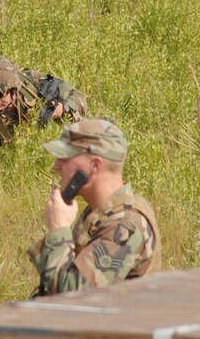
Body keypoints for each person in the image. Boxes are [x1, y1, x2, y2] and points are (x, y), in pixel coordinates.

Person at [27, 118, 161, 296]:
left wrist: (59, 229)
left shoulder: (125, 226)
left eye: (65, 158)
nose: (56, 165)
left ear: (95, 165)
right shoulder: (100, 213)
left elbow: (73, 297)